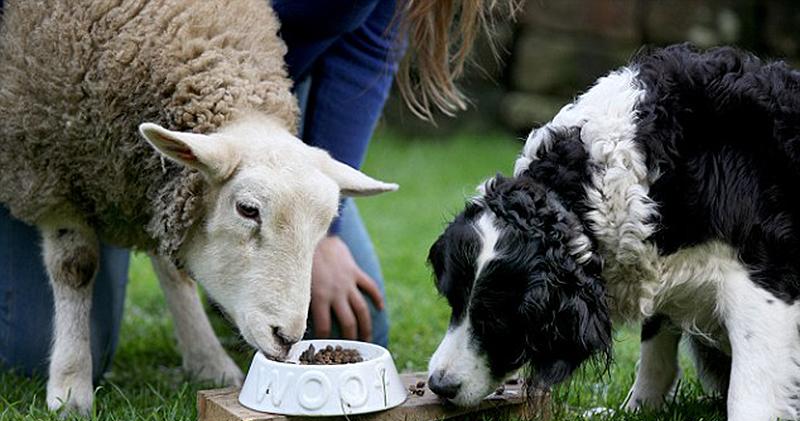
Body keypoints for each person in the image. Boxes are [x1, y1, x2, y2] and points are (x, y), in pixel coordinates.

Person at [0, 0, 500, 380]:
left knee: (351, 327)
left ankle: (218, 289)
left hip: (260, 111)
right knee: (30, 352)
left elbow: (366, 48)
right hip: (64, 97)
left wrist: (325, 230)